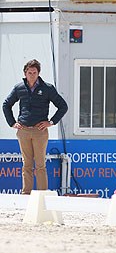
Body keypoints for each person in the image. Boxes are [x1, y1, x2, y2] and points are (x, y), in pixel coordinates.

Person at [2, 59, 68, 194]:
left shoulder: (47, 88)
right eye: (29, 72)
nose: (32, 75)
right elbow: (6, 104)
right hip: (23, 131)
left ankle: (42, 195)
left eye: (34, 72)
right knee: (26, 164)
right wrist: (12, 122)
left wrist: (51, 122)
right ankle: (26, 194)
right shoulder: (19, 88)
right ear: (25, 73)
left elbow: (63, 106)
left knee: (40, 165)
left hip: (40, 131)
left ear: (38, 73)